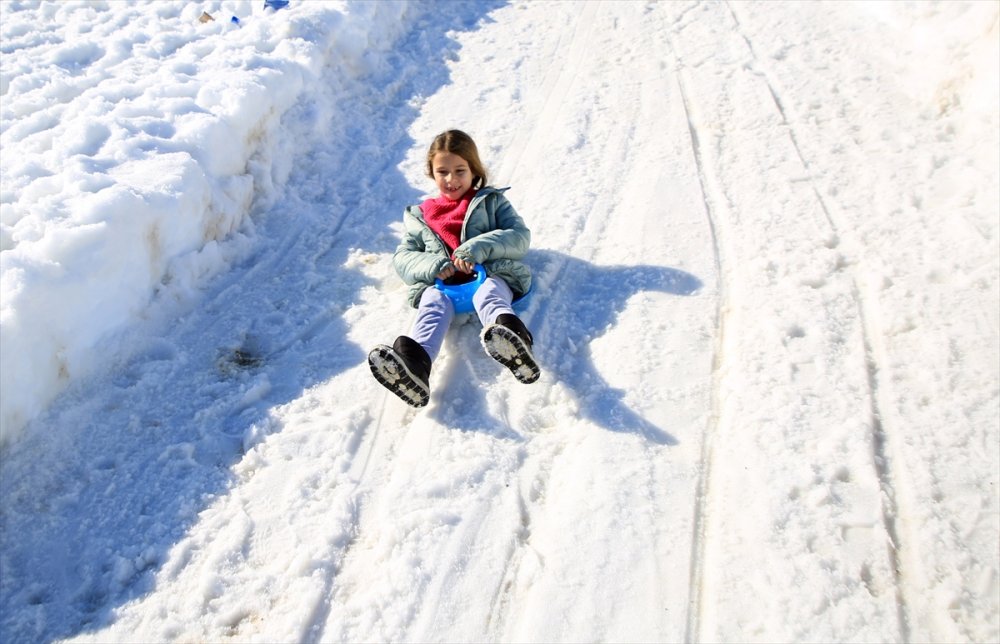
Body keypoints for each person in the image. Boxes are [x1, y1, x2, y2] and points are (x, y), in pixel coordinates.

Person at [368, 129, 539, 407]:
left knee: (490, 295)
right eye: (442, 171)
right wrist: (433, 265)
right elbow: (403, 257)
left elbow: (519, 236)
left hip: (487, 273)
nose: (451, 179)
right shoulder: (421, 215)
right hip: (442, 286)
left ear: (474, 169)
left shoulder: (490, 201)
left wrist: (479, 248)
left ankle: (510, 337)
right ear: (431, 173)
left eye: (460, 170)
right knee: (431, 307)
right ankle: (416, 366)